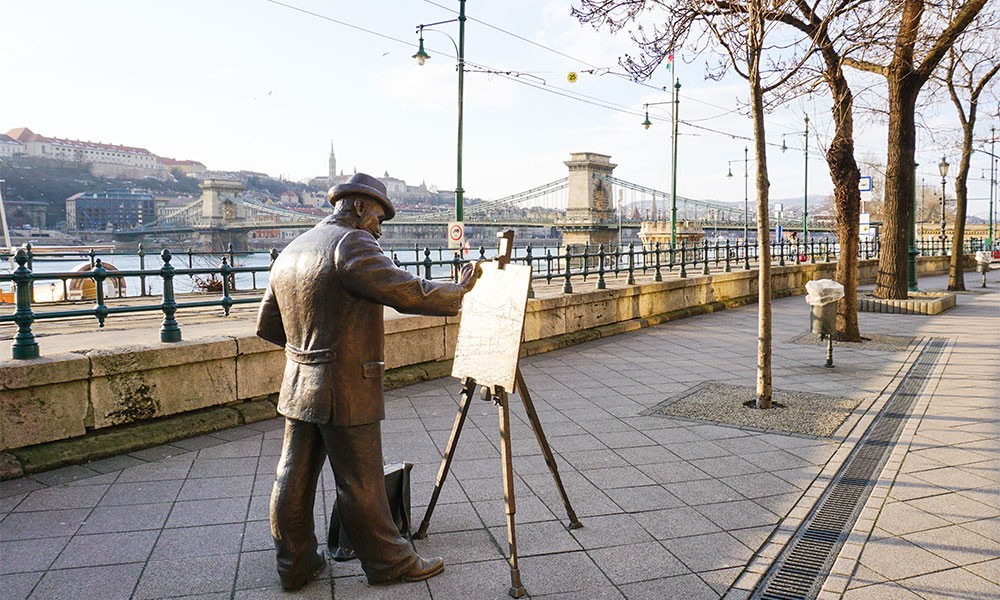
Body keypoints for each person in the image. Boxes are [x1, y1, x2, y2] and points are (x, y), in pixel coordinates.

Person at [256, 172, 482, 590]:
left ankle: (295, 564)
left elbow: (268, 324)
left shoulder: (292, 249)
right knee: (360, 480)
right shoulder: (351, 242)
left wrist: (309, 350)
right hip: (344, 383)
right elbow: (405, 290)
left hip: (298, 380)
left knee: (292, 473)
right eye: (379, 217)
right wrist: (459, 291)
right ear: (358, 207)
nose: (380, 228)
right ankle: (390, 563)